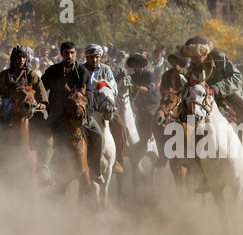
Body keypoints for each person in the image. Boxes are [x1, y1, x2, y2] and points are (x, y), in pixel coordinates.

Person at [41, 41, 105, 184]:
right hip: (57, 113)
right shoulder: (53, 71)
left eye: (72, 53)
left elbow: (89, 94)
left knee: (99, 135)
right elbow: (41, 88)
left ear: (76, 54)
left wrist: (84, 110)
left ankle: (95, 170)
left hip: (79, 114)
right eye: (66, 53)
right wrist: (41, 102)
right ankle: (44, 170)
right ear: (61, 54)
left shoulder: (83, 72)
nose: (69, 55)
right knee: (44, 135)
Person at [0, 45, 53, 185]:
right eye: (19, 57)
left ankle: (44, 166)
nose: (21, 59)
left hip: (29, 110)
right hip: (7, 109)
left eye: (24, 57)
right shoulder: (3, 75)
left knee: (46, 136)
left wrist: (43, 102)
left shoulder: (31, 74)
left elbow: (41, 91)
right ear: (13, 58)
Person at [179, 36, 243, 123]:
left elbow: (237, 78)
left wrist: (218, 88)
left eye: (196, 56)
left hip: (232, 101)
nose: (194, 60)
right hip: (206, 103)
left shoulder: (219, 58)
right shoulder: (193, 68)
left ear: (204, 52)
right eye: (191, 57)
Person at [83, 44, 128, 174]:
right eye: (91, 57)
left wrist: (105, 86)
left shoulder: (106, 69)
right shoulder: (81, 70)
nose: (94, 60)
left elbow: (114, 89)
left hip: (104, 105)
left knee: (120, 127)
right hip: (86, 106)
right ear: (87, 57)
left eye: (97, 57)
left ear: (100, 57)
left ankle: (118, 161)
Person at [126, 53, 159, 151]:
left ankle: (151, 137)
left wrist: (146, 88)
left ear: (141, 65)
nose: (134, 67)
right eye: (133, 65)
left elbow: (152, 84)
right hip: (136, 105)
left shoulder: (148, 74)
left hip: (150, 104)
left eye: (136, 65)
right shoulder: (131, 77)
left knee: (152, 117)